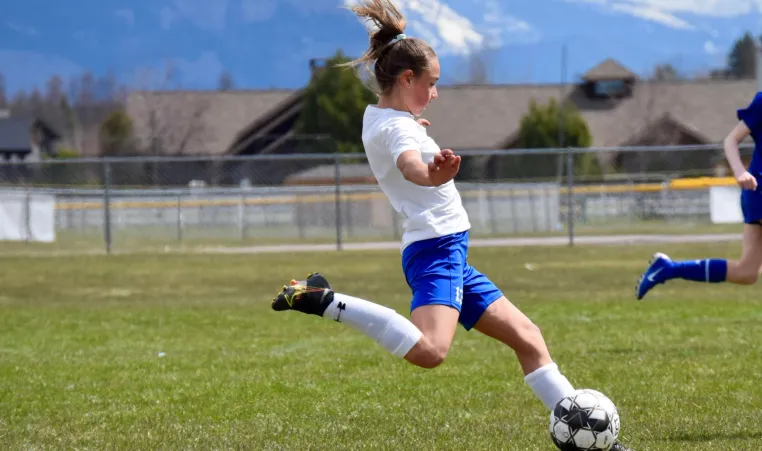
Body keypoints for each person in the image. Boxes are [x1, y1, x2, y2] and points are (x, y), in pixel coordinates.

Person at [271, 1, 633, 449]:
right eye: (431, 83)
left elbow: (400, 140)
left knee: (529, 339)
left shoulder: (387, 118)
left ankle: (599, 443)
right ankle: (322, 298)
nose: (436, 93)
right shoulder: (398, 130)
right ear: (407, 79)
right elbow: (409, 166)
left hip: (449, 251)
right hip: (436, 251)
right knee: (430, 351)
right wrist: (432, 173)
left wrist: (415, 131)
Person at [636, 92, 762, 300]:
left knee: (746, 273)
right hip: (758, 188)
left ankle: (668, 268)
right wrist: (740, 171)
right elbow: (731, 140)